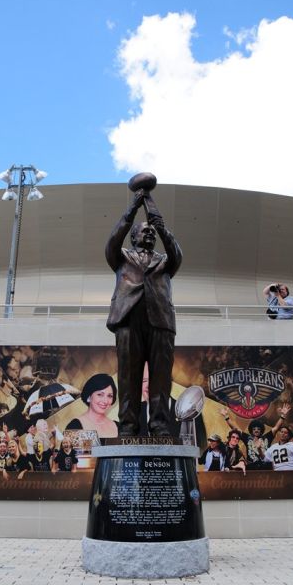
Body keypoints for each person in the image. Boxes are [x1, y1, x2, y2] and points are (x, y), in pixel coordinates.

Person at [105, 175, 183, 437]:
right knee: (129, 377)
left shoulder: (165, 260)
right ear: (133, 237)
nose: (149, 233)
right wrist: (133, 207)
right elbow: (114, 239)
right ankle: (128, 426)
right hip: (128, 321)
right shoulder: (122, 257)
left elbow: (176, 251)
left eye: (152, 232)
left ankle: (160, 425)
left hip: (160, 322)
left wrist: (153, 211)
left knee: (160, 379)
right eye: (144, 231)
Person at [64, 373, 119, 438]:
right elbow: (66, 447)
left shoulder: (118, 426)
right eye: (100, 394)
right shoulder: (74, 427)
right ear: (89, 397)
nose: (105, 401)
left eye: (109, 396)